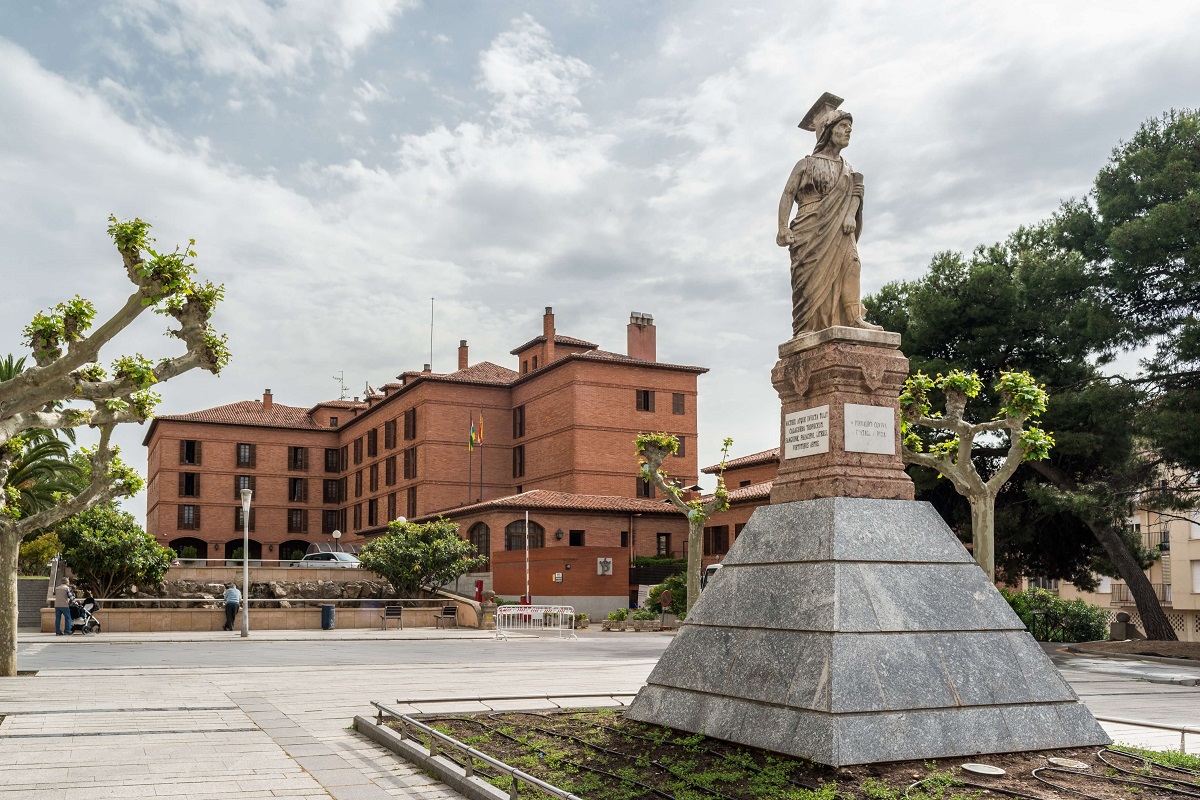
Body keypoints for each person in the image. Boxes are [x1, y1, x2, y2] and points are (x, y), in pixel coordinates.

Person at [777, 92, 882, 336]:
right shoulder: (805, 164)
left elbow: (856, 193)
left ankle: (854, 317)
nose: (848, 131)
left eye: (850, 128)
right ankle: (807, 326)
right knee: (810, 280)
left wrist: (849, 215)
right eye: (844, 126)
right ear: (828, 130)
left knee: (852, 264)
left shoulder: (848, 168)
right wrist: (783, 227)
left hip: (842, 226)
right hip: (809, 225)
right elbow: (787, 195)